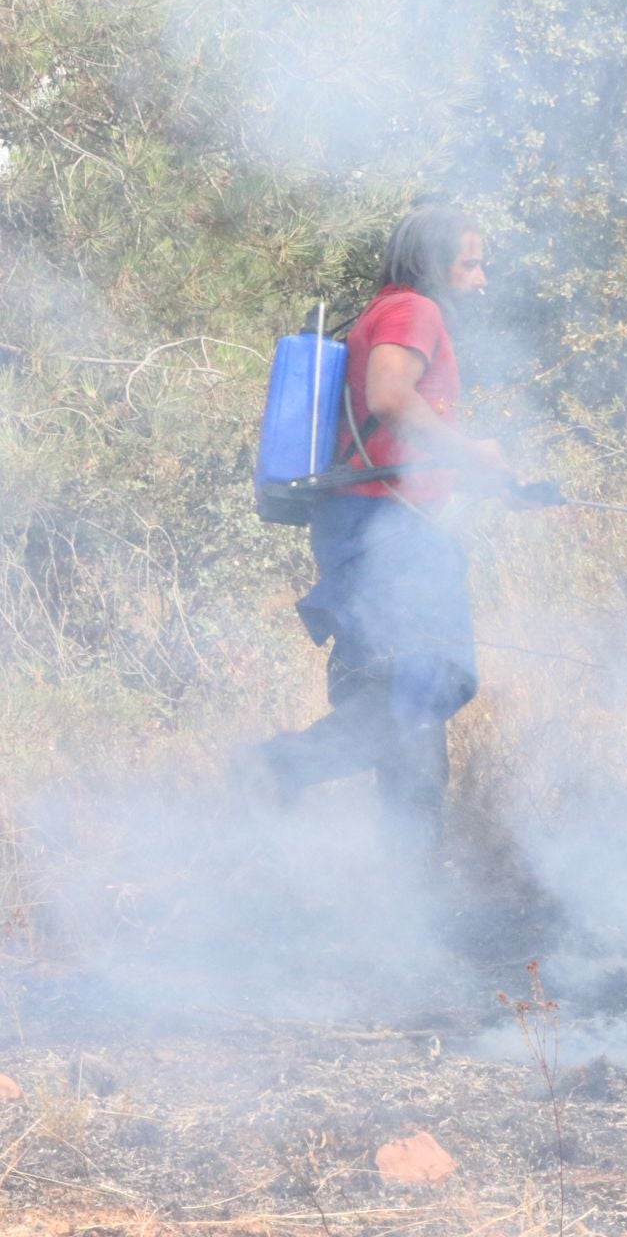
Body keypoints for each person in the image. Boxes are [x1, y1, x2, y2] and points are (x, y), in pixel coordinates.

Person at [240, 206, 522, 857]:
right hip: (386, 534)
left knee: (410, 707)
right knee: (432, 684)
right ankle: (279, 765)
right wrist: (474, 452)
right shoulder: (413, 310)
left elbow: (396, 439)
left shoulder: (390, 309)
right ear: (433, 264)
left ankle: (409, 909)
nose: (480, 279)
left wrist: (489, 477)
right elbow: (391, 397)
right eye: (470, 263)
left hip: (371, 525)